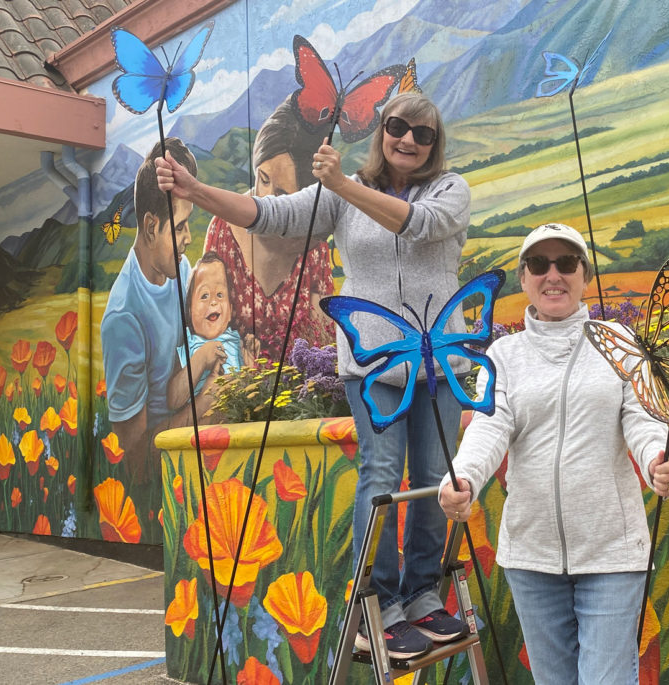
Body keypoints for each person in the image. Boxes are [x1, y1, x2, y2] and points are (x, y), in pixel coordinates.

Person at [155, 92, 471, 659]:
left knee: (430, 478)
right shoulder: (336, 194)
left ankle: (424, 595)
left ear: (434, 144)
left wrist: (344, 186)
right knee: (381, 479)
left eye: (422, 134)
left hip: (440, 362)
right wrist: (197, 192)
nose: (408, 140)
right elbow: (270, 214)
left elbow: (418, 227)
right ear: (381, 131)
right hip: (374, 363)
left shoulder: (450, 190)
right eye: (398, 126)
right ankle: (382, 602)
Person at [438, 223, 669, 684]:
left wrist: (659, 461)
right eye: (539, 264)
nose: (553, 274)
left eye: (566, 263)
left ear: (584, 276)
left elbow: (643, 417)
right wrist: (463, 477)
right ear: (524, 277)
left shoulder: (622, 343)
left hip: (612, 553)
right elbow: (489, 425)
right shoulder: (503, 355)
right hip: (531, 556)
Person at [101, 137, 219, 484]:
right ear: (151, 227)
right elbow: (136, 455)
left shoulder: (178, 270)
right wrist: (209, 400)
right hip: (166, 465)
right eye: (180, 227)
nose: (188, 239)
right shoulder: (124, 317)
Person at [202, 98, 334, 362]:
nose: (266, 200)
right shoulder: (223, 230)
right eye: (262, 179)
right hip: (239, 393)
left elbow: (324, 341)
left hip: (299, 396)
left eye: (283, 195)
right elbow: (204, 327)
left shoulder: (313, 242)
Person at [166, 252, 259, 408]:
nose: (214, 301)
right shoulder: (189, 346)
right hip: (202, 424)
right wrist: (201, 359)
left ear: (229, 311)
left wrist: (250, 367)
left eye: (220, 294)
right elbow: (173, 401)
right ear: (189, 310)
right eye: (204, 296)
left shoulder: (237, 343)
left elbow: (252, 396)